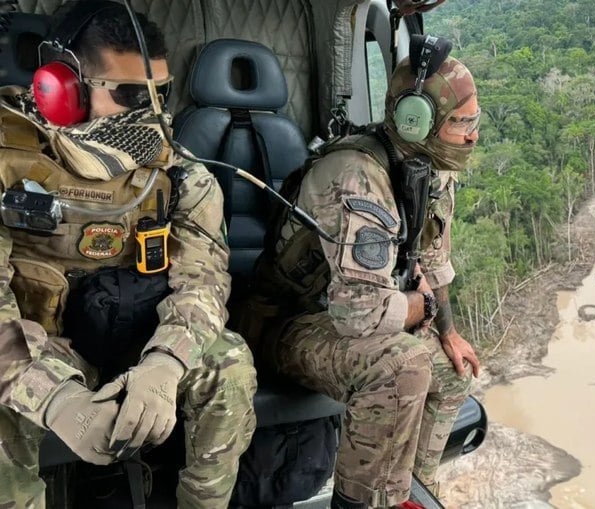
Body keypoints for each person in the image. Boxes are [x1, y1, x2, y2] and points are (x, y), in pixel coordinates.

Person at [0, 2, 256, 507]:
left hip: (137, 345)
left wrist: (166, 361)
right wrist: (58, 398)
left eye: (162, 95)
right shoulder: (9, 162)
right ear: (62, 88)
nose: (153, 115)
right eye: (131, 95)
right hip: (38, 349)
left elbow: (202, 284)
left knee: (230, 363)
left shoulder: (180, 175)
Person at [250, 40, 481, 509]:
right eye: (461, 123)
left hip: (342, 319)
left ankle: (408, 495)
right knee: (403, 364)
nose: (472, 135)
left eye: (473, 122)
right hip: (286, 324)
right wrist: (423, 306)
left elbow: (434, 262)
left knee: (453, 371)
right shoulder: (356, 173)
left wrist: (449, 331)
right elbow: (361, 317)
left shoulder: (429, 169)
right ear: (416, 120)